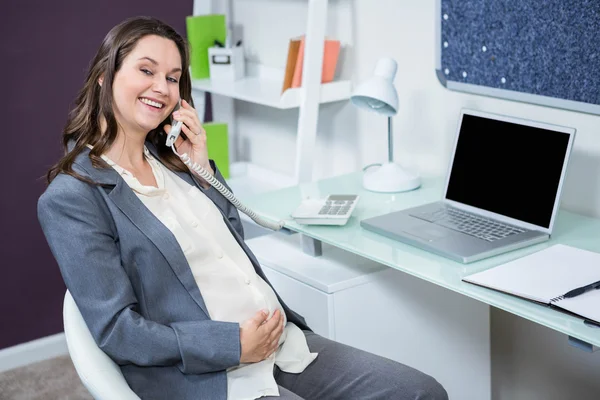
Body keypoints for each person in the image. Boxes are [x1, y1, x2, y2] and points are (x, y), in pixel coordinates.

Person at [37, 16, 448, 400]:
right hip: (205, 373)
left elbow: (228, 246)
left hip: (280, 342)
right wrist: (233, 345)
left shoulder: (173, 163)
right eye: (147, 71)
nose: (162, 87)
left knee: (421, 392)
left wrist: (202, 170)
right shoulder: (73, 197)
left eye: (173, 78)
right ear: (106, 78)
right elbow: (117, 331)